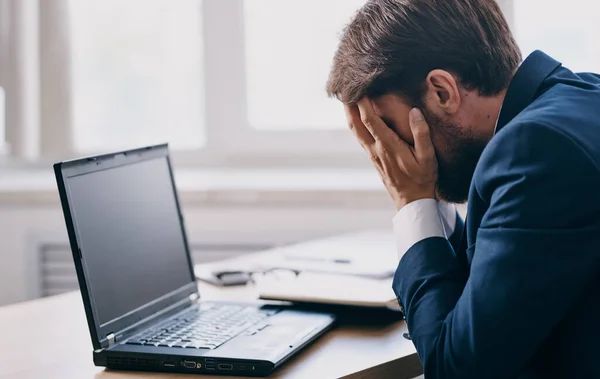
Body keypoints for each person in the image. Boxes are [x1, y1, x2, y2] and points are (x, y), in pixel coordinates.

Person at [326, 0, 600, 378]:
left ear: (441, 92)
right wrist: (429, 197)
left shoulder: (535, 149)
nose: (388, 152)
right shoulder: (578, 98)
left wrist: (412, 201)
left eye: (387, 128)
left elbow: (459, 369)